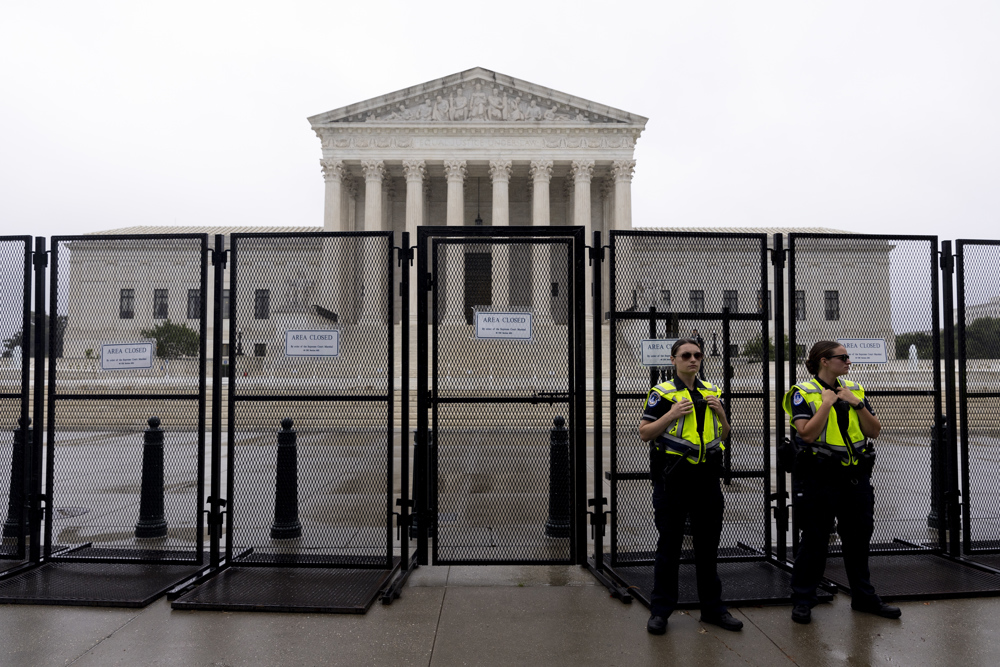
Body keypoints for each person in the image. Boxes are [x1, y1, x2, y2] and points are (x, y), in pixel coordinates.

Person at [782, 341, 901, 624]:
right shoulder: (803, 393)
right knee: (814, 540)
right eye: (842, 357)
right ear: (824, 361)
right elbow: (807, 435)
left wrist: (856, 403)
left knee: (858, 539)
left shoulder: (854, 390)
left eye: (848, 357)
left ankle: (864, 597)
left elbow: (874, 430)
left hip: (854, 478)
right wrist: (826, 405)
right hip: (818, 478)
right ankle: (803, 599)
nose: (848, 361)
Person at [639, 338, 742, 635]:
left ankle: (713, 608)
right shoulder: (662, 393)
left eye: (697, 355)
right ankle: (660, 611)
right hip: (674, 479)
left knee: (708, 547)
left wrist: (721, 413)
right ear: (673, 360)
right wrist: (671, 414)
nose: (693, 359)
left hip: (707, 479)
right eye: (686, 355)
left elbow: (724, 436)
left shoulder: (712, 391)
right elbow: (645, 433)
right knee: (669, 547)